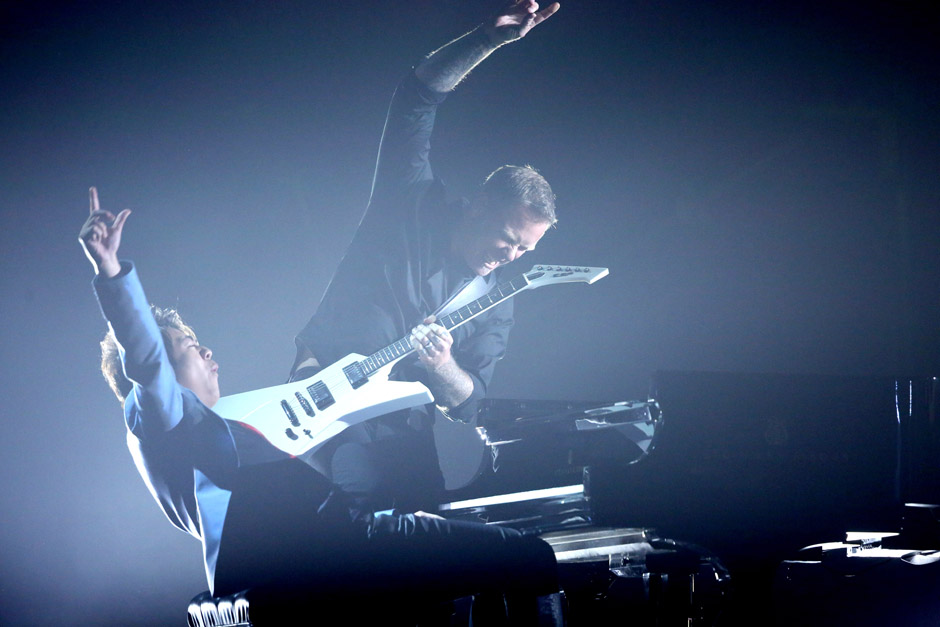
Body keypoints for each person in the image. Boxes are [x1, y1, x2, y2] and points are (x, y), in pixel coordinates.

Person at [81, 187, 560, 622]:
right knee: (529, 557)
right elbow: (143, 359)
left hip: (332, 557)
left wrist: (406, 523)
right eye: (187, 347)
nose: (205, 351)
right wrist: (111, 272)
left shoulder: (220, 433)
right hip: (340, 556)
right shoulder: (162, 418)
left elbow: (307, 512)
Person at [292, 0, 562, 515]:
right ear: (479, 204)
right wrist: (487, 40)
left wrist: (443, 366)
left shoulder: (498, 298)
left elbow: (470, 401)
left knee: (434, 540)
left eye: (525, 250)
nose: (510, 257)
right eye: (507, 239)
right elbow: (415, 99)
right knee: (353, 512)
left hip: (405, 430)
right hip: (325, 401)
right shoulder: (411, 202)